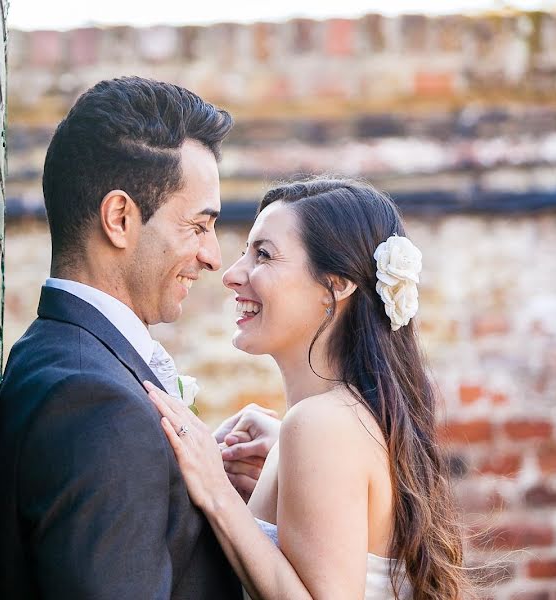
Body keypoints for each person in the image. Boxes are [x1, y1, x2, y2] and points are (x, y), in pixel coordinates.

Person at [0, 76, 273, 599]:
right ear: (120, 218)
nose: (214, 257)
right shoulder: (96, 405)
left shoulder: (66, 362)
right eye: (198, 225)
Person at [147, 178, 469, 600]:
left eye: (263, 254)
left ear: (336, 284)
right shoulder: (339, 421)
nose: (231, 274)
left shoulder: (321, 425)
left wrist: (215, 491)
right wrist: (281, 468)